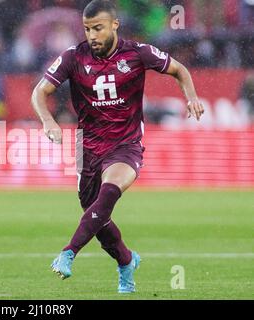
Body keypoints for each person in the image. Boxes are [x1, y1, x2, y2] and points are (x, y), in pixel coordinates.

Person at [31, 0, 204, 294]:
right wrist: (48, 121)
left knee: (109, 192)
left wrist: (191, 96)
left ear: (114, 25)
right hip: (87, 146)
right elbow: (40, 91)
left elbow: (180, 70)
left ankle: (68, 252)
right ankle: (126, 260)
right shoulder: (73, 57)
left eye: (98, 28)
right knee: (95, 212)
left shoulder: (138, 53)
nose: (92, 36)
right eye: (87, 29)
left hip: (126, 143)